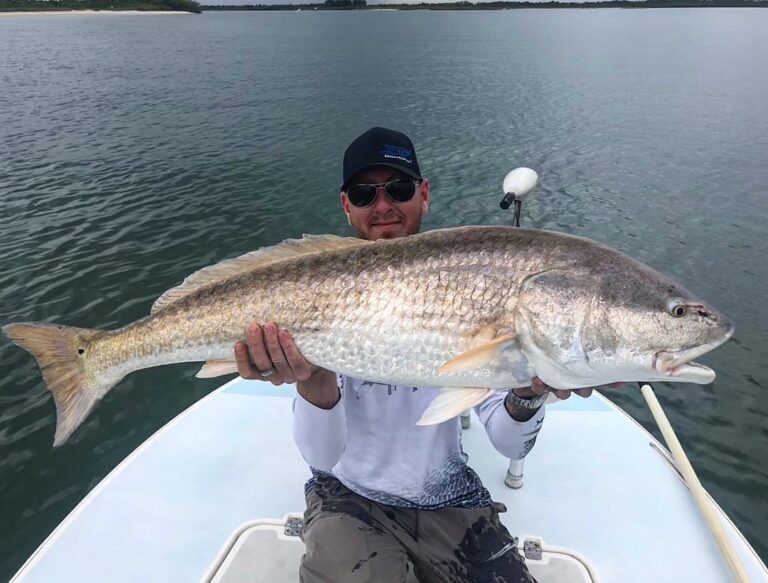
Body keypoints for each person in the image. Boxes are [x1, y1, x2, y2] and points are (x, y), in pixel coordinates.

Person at [233, 127, 596, 583]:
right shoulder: (315, 293)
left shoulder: (469, 285)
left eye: (399, 189)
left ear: (423, 195)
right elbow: (323, 458)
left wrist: (529, 392)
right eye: (365, 194)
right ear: (347, 207)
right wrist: (313, 380)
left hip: (448, 497)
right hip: (345, 495)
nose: (383, 206)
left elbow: (508, 442)